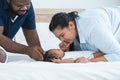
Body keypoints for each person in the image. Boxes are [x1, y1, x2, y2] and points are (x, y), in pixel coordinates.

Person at [49, 6, 120, 63]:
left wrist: (89, 61)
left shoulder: (94, 28)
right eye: (58, 37)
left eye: (62, 35)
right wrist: (69, 48)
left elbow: (118, 54)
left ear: (71, 25)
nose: (61, 40)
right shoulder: (74, 33)